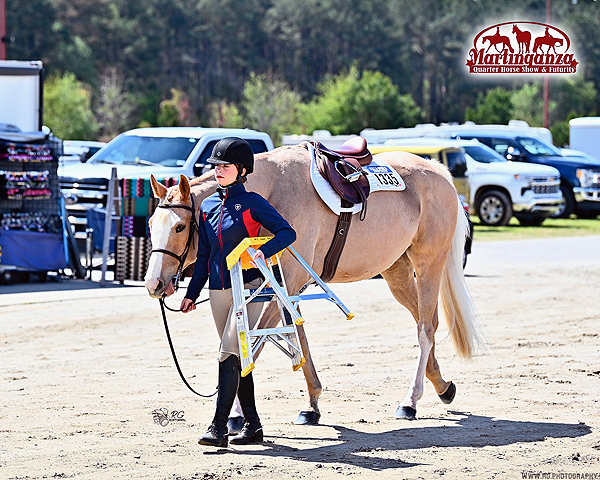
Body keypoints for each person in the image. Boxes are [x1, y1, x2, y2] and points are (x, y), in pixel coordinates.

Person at [180, 137, 296, 448]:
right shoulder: (206, 206)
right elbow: (203, 255)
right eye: (215, 166)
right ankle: (253, 425)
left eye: (225, 166)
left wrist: (264, 251)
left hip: (251, 288)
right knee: (238, 355)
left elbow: (287, 232)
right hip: (218, 288)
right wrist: (192, 292)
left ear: (242, 170)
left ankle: (218, 428)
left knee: (228, 351)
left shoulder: (253, 202)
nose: (218, 170)